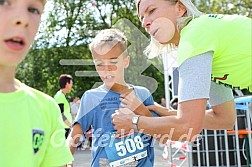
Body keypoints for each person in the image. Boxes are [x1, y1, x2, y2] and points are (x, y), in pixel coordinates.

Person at [112, 0, 252, 141]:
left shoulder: (194, 38)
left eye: (152, 11)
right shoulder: (204, 36)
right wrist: (171, 114)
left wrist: (133, 122)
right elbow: (224, 119)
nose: (145, 23)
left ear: (180, 8)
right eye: (142, 18)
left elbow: (187, 128)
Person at [67, 29, 158, 167]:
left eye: (113, 61)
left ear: (126, 61)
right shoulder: (91, 97)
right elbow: (75, 134)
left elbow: (159, 131)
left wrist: (139, 114)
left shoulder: (143, 94)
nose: (107, 69)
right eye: (99, 64)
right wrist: (66, 158)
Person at [0, 0, 73, 166]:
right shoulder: (58, 97)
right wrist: (71, 124)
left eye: (33, 9)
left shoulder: (46, 107)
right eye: (4, 2)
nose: (23, 18)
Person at [54, 74, 73, 139]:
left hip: (65, 127)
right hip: (63, 127)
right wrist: (70, 125)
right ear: (67, 84)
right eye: (71, 83)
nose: (72, 85)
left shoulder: (62, 96)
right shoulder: (59, 96)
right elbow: (61, 114)